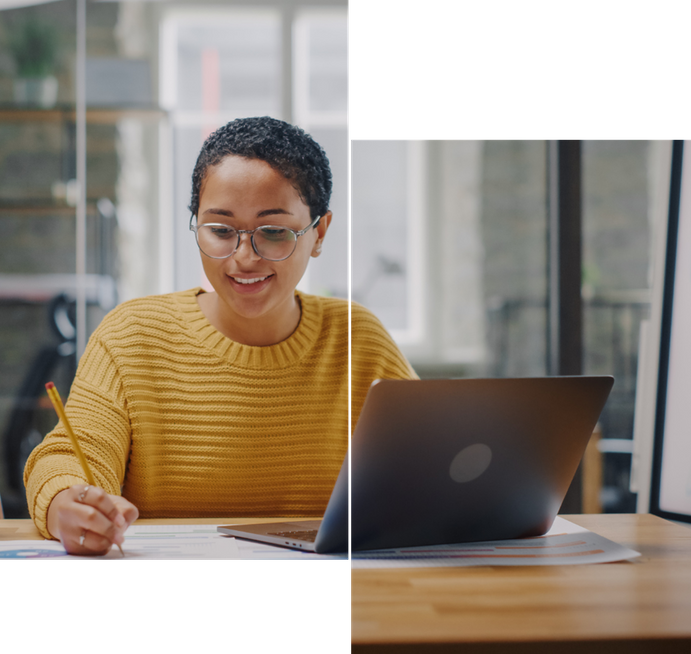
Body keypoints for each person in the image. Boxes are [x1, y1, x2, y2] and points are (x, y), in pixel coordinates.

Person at [24, 116, 417, 555]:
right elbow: (65, 458)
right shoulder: (132, 336)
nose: (243, 258)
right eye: (220, 230)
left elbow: (432, 468)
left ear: (319, 233)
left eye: (273, 232)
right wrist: (69, 504)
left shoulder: (357, 339)